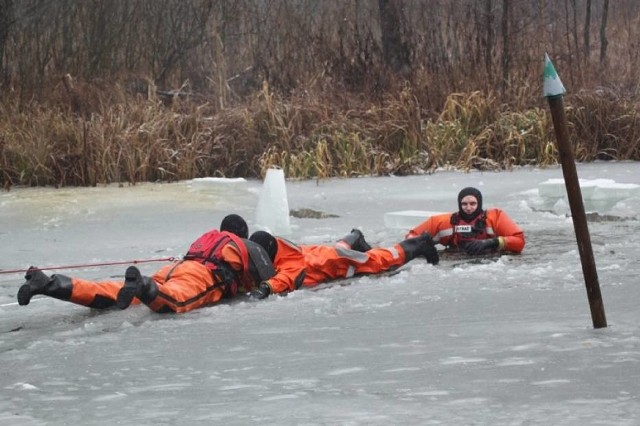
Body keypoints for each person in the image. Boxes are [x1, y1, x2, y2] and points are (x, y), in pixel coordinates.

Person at [17, 214, 275, 313]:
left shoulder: (210, 237)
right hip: (201, 276)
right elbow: (264, 280)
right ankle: (143, 286)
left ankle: (50, 284)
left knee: (115, 290)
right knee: (175, 300)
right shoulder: (246, 246)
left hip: (175, 267)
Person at [247, 228, 439, 299]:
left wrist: (266, 288)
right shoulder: (282, 248)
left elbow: (285, 278)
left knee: (381, 260)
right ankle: (355, 237)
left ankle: (420, 243)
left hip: (339, 262)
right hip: (326, 254)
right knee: (341, 249)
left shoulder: (292, 264)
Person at [406, 187, 525, 255]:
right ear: (459, 204)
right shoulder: (444, 222)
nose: (468, 208)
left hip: (490, 262)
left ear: (479, 203)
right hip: (455, 261)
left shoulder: (496, 217)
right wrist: (425, 248)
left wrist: (492, 242)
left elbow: (519, 242)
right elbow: (411, 237)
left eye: (473, 204)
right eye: (464, 204)